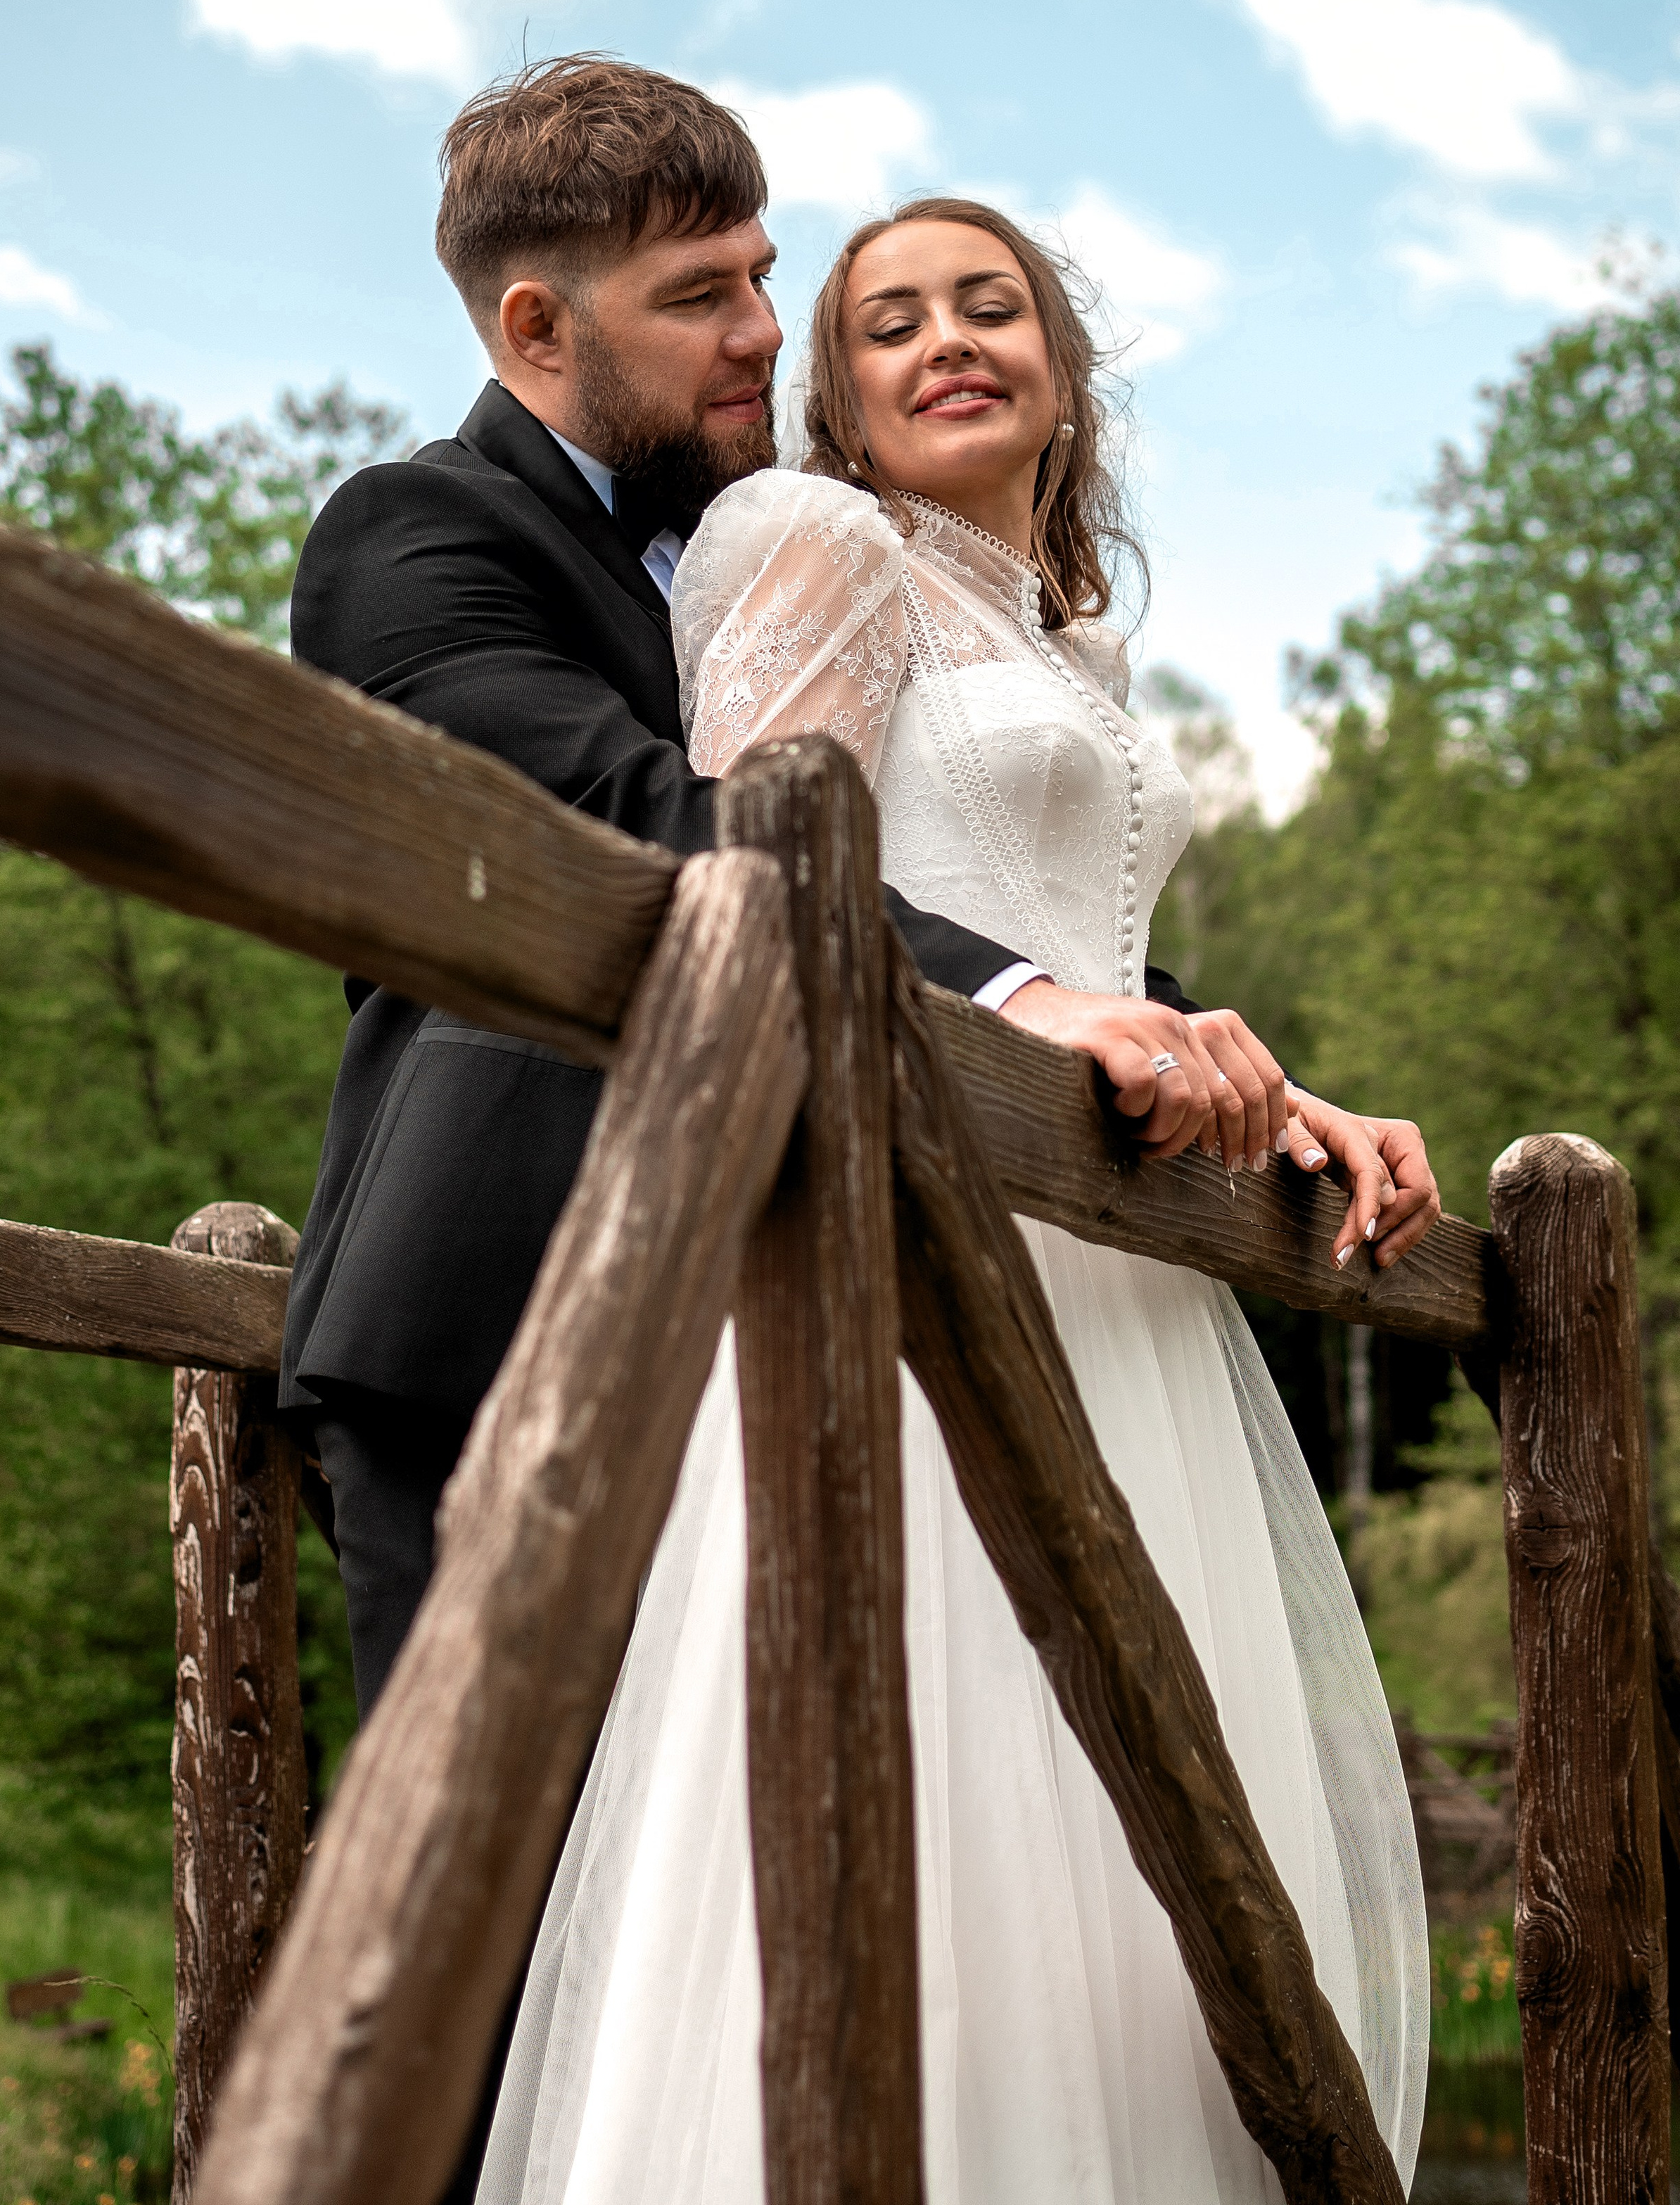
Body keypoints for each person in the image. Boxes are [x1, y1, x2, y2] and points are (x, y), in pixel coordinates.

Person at [476, 199, 1435, 2201]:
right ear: (833, 394)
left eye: (989, 308)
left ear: (1062, 371)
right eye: (887, 322)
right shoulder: (806, 544)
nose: (946, 343)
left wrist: (1284, 1104)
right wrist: (1050, 1013)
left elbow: (1078, 942)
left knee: (1160, 1869)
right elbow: (770, 890)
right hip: (911, 1252)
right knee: (939, 1800)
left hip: (1129, 1294)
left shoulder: (1060, 634)